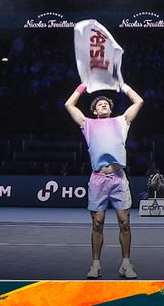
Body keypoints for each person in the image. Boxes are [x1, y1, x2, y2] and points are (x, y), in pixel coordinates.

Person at [65, 83, 144, 279]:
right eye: (99, 104)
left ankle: (126, 264)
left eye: (106, 103)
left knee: (124, 222)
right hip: (98, 180)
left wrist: (122, 85)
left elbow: (139, 101)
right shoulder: (87, 124)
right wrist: (83, 86)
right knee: (97, 224)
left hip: (118, 179)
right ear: (94, 110)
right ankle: (95, 265)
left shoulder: (121, 121)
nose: (103, 105)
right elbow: (69, 105)